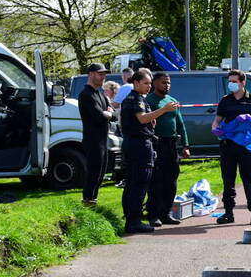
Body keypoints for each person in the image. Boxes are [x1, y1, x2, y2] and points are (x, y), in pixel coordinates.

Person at [121, 69, 179, 234]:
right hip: (139, 145)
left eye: (149, 83)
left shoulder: (134, 99)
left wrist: (150, 121)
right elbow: (142, 118)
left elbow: (138, 120)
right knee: (139, 183)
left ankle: (131, 218)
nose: (148, 86)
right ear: (136, 82)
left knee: (132, 183)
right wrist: (163, 110)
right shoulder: (136, 99)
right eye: (145, 83)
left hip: (134, 143)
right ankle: (134, 221)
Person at [212, 69, 251, 225]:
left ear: (243, 82)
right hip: (228, 145)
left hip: (245, 146)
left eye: (234, 81)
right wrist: (214, 128)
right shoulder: (225, 100)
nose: (231, 84)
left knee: (249, 179)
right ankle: (228, 213)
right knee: (228, 180)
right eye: (230, 81)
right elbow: (217, 120)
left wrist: (249, 117)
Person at [145, 72, 190, 227]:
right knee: (156, 180)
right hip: (157, 144)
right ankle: (153, 214)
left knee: (171, 180)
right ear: (155, 83)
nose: (167, 85)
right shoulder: (149, 100)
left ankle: (166, 213)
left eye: (169, 83)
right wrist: (164, 109)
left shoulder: (172, 101)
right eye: (164, 83)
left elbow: (180, 124)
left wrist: (186, 145)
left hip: (172, 144)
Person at [77, 63, 113, 206]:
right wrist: (108, 113)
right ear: (91, 74)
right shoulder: (86, 94)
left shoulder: (100, 94)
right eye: (100, 74)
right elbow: (100, 116)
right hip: (92, 140)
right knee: (93, 173)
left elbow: (112, 115)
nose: (103, 77)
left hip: (103, 139)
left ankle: (93, 202)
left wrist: (109, 113)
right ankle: (87, 201)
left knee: (101, 174)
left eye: (104, 74)